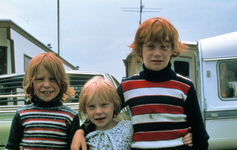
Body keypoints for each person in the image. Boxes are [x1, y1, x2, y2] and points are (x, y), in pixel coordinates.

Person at [71, 17, 205, 150]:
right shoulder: (127, 86)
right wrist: (80, 131)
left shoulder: (185, 86)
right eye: (150, 47)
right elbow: (104, 112)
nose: (157, 53)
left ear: (172, 50)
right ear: (140, 50)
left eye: (164, 47)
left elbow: (200, 134)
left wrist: (192, 132)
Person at [4, 52, 80, 150]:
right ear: (31, 83)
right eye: (40, 79)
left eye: (53, 79)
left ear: (61, 82)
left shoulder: (71, 116)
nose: (47, 84)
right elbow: (10, 147)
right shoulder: (21, 114)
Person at [78, 76, 133, 150]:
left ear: (115, 105)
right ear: (85, 109)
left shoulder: (128, 128)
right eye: (91, 106)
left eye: (104, 104)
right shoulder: (84, 137)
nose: (98, 112)